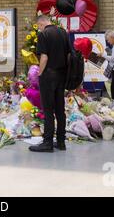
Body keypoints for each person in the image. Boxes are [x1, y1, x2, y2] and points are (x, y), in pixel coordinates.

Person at [29, 15, 70, 153]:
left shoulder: (43, 34)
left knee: (48, 110)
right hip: (62, 75)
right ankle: (61, 141)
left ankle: (47, 143)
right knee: (60, 110)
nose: (39, 28)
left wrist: (40, 72)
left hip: (49, 75)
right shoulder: (63, 33)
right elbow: (69, 54)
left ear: (41, 24)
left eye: (38, 26)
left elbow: (44, 57)